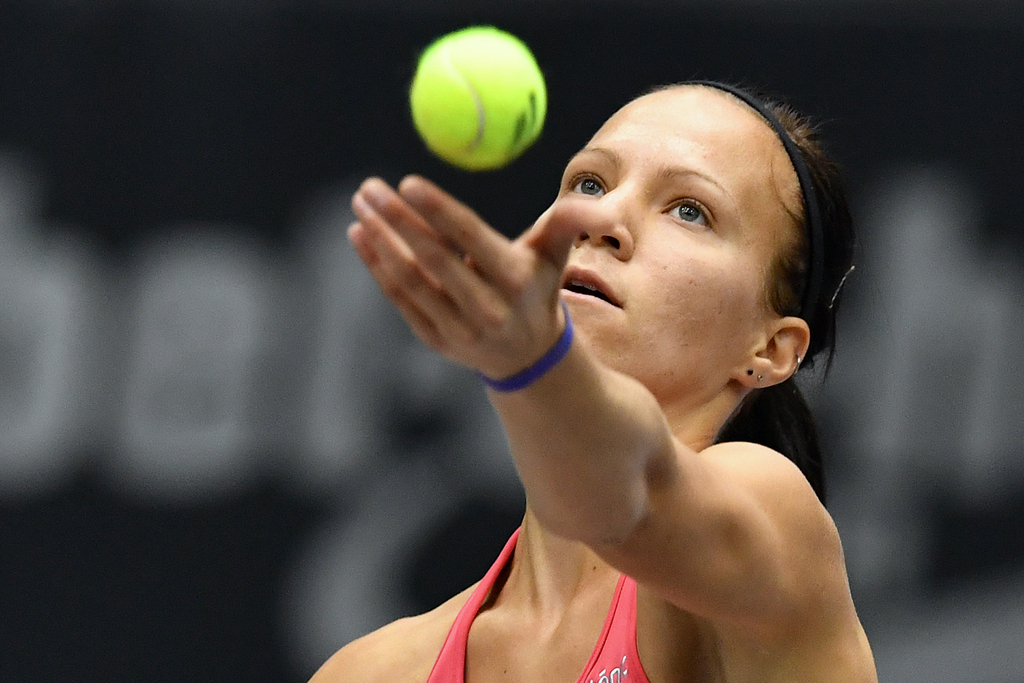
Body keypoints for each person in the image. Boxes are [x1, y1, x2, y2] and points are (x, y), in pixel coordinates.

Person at [310, 82, 878, 683]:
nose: (603, 219)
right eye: (590, 184)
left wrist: (532, 364)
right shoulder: (367, 673)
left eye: (690, 210)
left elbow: (622, 501)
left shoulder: (772, 525)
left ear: (768, 349)